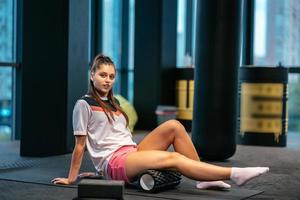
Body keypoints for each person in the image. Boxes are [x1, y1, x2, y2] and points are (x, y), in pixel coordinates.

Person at [52, 54, 269, 189]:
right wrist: (72, 179)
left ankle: (205, 178)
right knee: (172, 158)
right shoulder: (84, 104)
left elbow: (115, 137)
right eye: (102, 75)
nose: (107, 80)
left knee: (174, 126)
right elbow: (81, 146)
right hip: (115, 162)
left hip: (131, 151)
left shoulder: (114, 102)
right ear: (92, 75)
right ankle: (234, 175)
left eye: (111, 76)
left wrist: (99, 170)